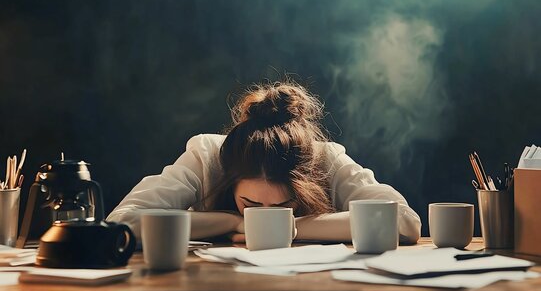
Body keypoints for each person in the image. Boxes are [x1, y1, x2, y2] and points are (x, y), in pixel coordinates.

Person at [107, 79, 421, 243]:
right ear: (230, 178)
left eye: (285, 206)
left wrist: (293, 228)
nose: (265, 216)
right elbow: (121, 224)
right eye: (251, 205)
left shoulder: (325, 159)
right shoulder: (206, 156)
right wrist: (233, 222)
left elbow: (406, 222)